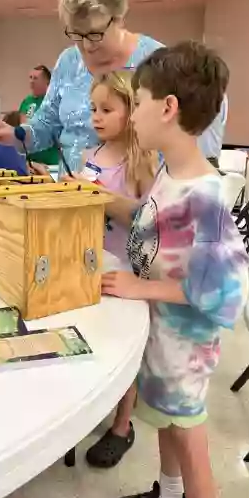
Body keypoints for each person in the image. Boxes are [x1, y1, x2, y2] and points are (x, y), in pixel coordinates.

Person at [103, 42, 249, 498]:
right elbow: (153, 228)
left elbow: (223, 291)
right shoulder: (170, 173)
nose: (133, 113)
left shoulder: (203, 196)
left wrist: (137, 287)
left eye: (138, 101)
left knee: (192, 447)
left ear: (167, 108)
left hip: (184, 347)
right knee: (165, 424)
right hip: (163, 337)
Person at [0, 0, 223, 175]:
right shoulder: (68, 62)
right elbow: (47, 124)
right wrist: (15, 136)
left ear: (119, 18)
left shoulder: (158, 64)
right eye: (76, 34)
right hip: (72, 199)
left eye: (95, 34)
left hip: (134, 207)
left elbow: (192, 149)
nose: (86, 46)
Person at [80, 70, 161, 470]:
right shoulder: (90, 156)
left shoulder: (141, 164)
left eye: (106, 109)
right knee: (94, 337)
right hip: (88, 260)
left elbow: (149, 221)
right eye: (93, 108)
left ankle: (122, 425)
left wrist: (101, 198)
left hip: (126, 270)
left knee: (125, 348)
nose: (96, 116)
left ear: (132, 112)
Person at [19, 64, 61, 170]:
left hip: (51, 162)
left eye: (36, 78)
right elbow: (23, 128)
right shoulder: (26, 102)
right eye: (30, 77)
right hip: (32, 161)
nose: (32, 81)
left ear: (46, 82)